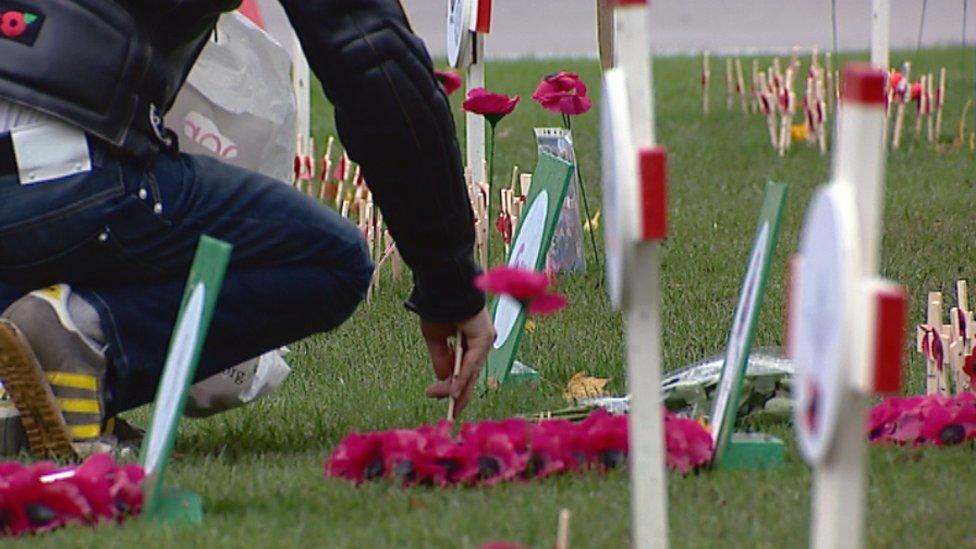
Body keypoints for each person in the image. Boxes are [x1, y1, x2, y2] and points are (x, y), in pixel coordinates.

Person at [0, 0, 495, 457]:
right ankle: (81, 336)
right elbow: (374, 61)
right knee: (328, 260)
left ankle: (12, 382)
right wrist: (450, 282)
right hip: (64, 170)